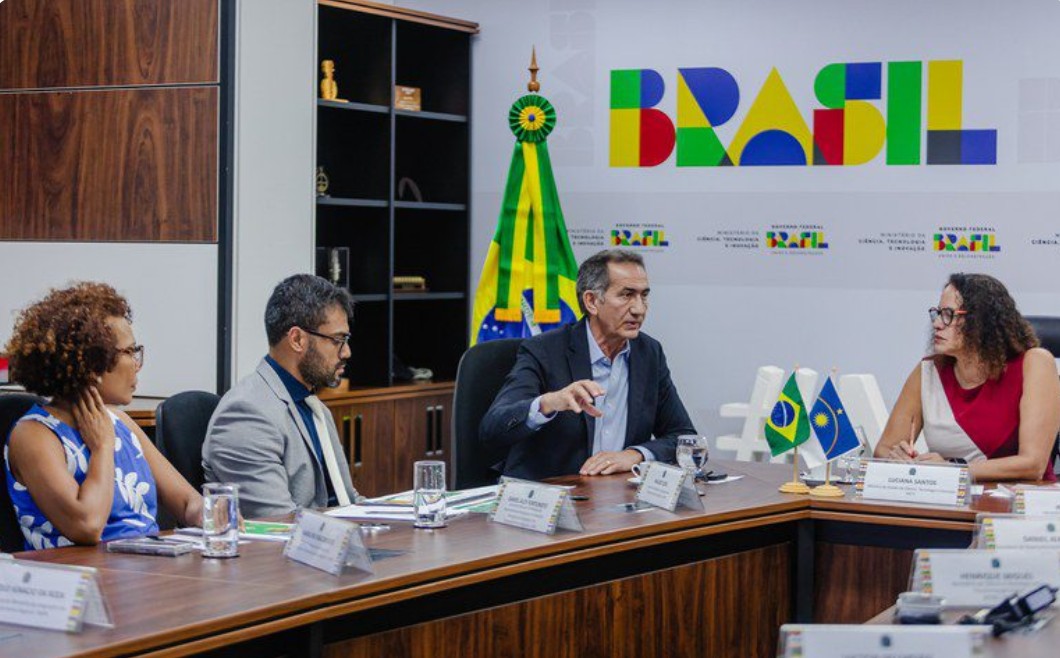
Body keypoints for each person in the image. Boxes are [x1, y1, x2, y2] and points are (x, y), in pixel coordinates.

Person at [3, 283, 203, 550]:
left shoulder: (121, 422)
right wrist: (102, 447)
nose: (137, 364)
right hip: (80, 573)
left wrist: (215, 516)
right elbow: (87, 526)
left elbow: (188, 503)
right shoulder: (33, 435)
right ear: (91, 364)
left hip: (149, 565)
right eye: (129, 352)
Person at [480, 249, 696, 480]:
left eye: (643, 296)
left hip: (615, 492)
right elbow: (492, 428)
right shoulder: (544, 350)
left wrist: (635, 454)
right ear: (592, 301)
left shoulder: (649, 352)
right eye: (626, 295)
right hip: (548, 490)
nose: (639, 309)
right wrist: (549, 402)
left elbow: (684, 437)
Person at [874, 273, 1060, 481]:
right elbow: (883, 449)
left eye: (948, 314)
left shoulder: (1034, 363)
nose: (937, 324)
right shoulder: (928, 371)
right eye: (937, 313)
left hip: (1021, 497)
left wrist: (953, 470)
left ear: (981, 321)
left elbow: (1033, 464)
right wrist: (897, 458)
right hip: (954, 497)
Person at [203, 274, 361, 517]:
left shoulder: (314, 407)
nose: (346, 352)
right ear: (297, 339)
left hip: (330, 535)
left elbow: (347, 500)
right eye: (337, 340)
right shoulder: (246, 414)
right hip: (292, 540)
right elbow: (279, 520)